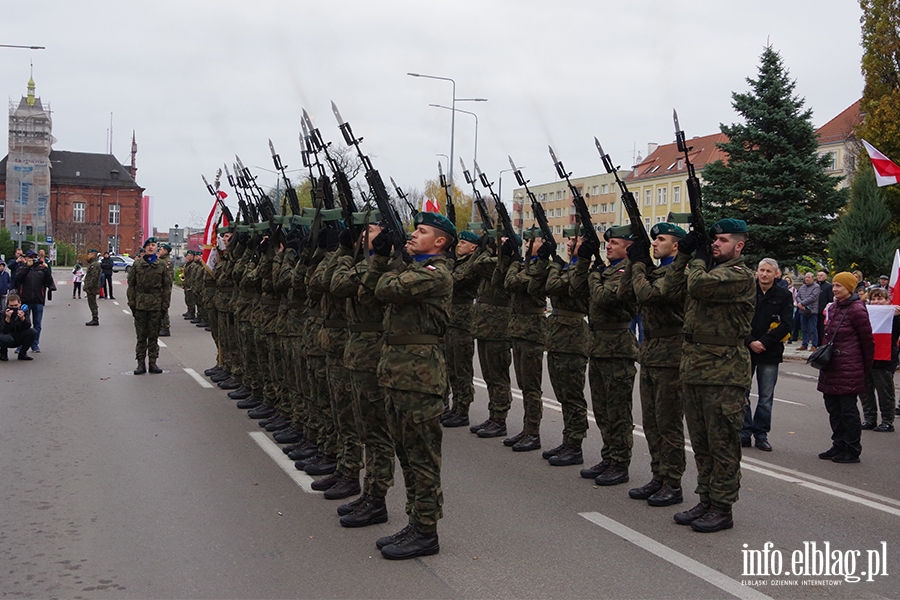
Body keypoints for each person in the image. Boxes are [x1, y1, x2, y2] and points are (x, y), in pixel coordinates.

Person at [368, 211, 454, 560]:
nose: (413, 235)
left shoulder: (436, 273)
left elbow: (385, 289)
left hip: (420, 379)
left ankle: (426, 532)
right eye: (414, 230)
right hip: (400, 374)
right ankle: (415, 522)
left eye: (422, 232)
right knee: (406, 454)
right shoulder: (415, 268)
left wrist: (388, 261)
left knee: (422, 459)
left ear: (440, 242)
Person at [669, 218, 755, 533]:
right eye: (713, 240)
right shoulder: (704, 270)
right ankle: (705, 498)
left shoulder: (740, 275)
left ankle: (722, 506)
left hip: (724, 373)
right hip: (695, 367)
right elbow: (674, 286)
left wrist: (700, 259)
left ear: (739, 245)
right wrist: (684, 255)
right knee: (702, 443)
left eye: (722, 240)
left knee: (723, 443)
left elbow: (698, 285)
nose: (716, 244)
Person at [619, 223, 688, 506]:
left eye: (661, 239)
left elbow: (650, 295)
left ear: (676, 246)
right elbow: (626, 296)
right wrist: (635, 263)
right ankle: (658, 476)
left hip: (671, 355)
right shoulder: (654, 271)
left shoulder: (679, 273)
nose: (655, 243)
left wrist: (637, 267)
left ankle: (673, 482)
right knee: (651, 422)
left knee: (668, 423)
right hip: (650, 353)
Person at [570, 225, 638, 487]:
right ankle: (609, 456)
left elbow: (603, 297)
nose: (608, 246)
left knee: (618, 410)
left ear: (628, 248)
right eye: (607, 243)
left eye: (615, 243)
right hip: (597, 346)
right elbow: (576, 289)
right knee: (601, 409)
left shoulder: (628, 270)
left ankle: (620, 462)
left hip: (617, 348)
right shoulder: (606, 270)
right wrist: (584, 261)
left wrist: (594, 276)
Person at [539, 227, 590, 467]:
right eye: (569, 239)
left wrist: (556, 266)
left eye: (575, 240)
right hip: (558, 336)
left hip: (572, 337)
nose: (570, 244)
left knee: (573, 395)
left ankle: (575, 444)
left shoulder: (584, 269)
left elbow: (554, 286)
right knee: (562, 393)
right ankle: (568, 439)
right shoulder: (571, 267)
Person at [817, 272, 874, 463]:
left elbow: (867, 341)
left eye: (839, 286)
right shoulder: (833, 307)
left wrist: (865, 368)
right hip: (831, 366)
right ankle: (838, 444)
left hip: (849, 367)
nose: (834, 289)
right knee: (833, 408)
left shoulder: (857, 309)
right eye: (833, 285)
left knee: (847, 410)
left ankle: (852, 448)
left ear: (849, 288)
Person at [741, 258, 793, 451]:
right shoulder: (747, 291)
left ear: (776, 274)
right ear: (756, 272)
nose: (764, 274)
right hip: (746, 350)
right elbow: (738, 318)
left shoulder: (784, 295)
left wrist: (764, 342)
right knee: (742, 394)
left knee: (766, 397)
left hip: (769, 352)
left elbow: (787, 323)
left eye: (768, 271)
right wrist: (750, 341)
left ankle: (761, 434)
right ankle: (744, 432)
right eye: (761, 270)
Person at [127, 237, 172, 374]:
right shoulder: (137, 264)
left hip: (156, 304)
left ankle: (153, 362)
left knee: (153, 336)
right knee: (141, 336)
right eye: (148, 245)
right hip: (140, 304)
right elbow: (131, 285)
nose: (151, 247)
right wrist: (132, 303)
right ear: (145, 248)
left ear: (156, 247)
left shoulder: (162, 265)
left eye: (153, 245)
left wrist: (165, 305)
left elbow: (167, 286)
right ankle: (140, 363)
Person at [859, 287, 898, 432]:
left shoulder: (894, 315)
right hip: (866, 357)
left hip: (884, 358)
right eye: (873, 299)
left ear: (887, 300)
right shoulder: (865, 314)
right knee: (865, 390)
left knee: (884, 391)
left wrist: (896, 317)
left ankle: (887, 420)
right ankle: (870, 419)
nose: (876, 302)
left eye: (880, 299)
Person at [13, 249, 53, 353]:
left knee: (37, 324)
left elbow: (49, 282)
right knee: (22, 323)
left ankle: (35, 344)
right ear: (25, 258)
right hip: (25, 300)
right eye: (30, 257)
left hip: (38, 300)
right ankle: (21, 345)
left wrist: (46, 269)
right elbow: (18, 278)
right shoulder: (22, 268)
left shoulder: (40, 269)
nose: (33, 259)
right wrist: (27, 266)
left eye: (34, 257)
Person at [0, 293, 37, 361]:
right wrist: (7, 318)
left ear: (20, 303)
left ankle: (22, 353)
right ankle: (3, 354)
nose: (14, 307)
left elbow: (28, 326)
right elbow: (3, 331)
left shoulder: (24, 311)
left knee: (32, 332)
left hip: (18, 335)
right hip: (7, 336)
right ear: (7, 305)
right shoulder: (3, 313)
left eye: (16, 305)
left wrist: (23, 318)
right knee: (5, 338)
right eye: (11, 306)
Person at [796, 272, 820, 351]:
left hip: (812, 311)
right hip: (802, 311)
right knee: (804, 329)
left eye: (809, 277)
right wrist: (800, 304)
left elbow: (813, 297)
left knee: (813, 329)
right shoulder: (802, 287)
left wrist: (802, 303)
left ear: (813, 279)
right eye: (806, 277)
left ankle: (814, 345)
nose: (807, 279)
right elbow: (798, 296)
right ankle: (804, 344)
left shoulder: (816, 287)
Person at [157, 244, 174, 337]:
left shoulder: (167, 262)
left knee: (164, 307)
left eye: (162, 249)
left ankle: (165, 328)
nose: (160, 250)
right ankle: (160, 326)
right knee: (159, 308)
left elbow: (168, 278)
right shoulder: (161, 260)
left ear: (166, 251)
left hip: (165, 289)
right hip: (160, 288)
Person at [84, 249, 101, 326]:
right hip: (91, 287)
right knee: (91, 303)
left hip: (92, 288)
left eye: (89, 254)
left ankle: (95, 318)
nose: (88, 256)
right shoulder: (92, 264)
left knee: (92, 303)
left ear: (93, 255)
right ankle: (94, 318)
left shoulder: (95, 265)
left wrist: (89, 286)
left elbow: (94, 277)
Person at [816, 271, 833, 346]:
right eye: (818, 275)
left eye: (821, 275)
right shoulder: (815, 285)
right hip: (815, 309)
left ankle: (822, 341)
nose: (819, 277)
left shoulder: (828, 286)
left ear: (825, 277)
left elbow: (830, 298)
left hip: (823, 309)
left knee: (822, 327)